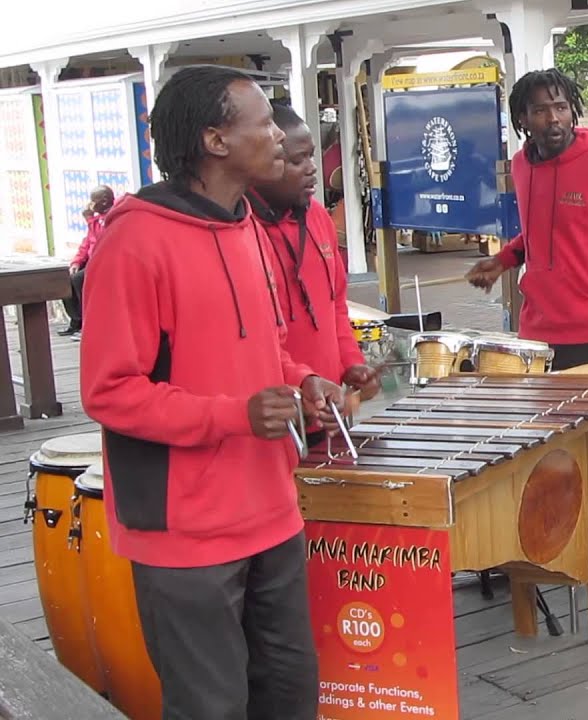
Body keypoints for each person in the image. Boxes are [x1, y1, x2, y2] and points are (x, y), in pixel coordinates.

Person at [79, 65, 346, 718]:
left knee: (290, 694)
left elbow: (258, 349)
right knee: (211, 707)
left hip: (271, 509)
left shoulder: (248, 226)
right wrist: (234, 414)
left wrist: (298, 379)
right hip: (185, 528)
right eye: (262, 124)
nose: (279, 140)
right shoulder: (134, 243)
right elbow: (110, 392)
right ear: (215, 141)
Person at [464, 69, 588, 371]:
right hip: (536, 331)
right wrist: (502, 260)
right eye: (540, 110)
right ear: (522, 120)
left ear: (572, 112)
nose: (553, 118)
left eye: (561, 107)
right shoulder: (521, 166)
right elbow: (541, 232)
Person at [248, 100, 380, 444]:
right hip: (280, 421)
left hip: (332, 410)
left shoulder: (319, 217)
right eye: (296, 161)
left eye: (311, 157)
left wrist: (352, 364)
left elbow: (335, 304)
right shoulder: (243, 234)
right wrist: (300, 387)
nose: (311, 170)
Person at [60, 185, 115, 338]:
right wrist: (76, 262)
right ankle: (75, 321)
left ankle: (87, 322)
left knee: (79, 280)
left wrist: (89, 220)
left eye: (93, 200)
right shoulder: (96, 219)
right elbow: (86, 244)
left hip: (105, 262)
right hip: (91, 260)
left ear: (104, 201)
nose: (90, 204)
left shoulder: (113, 216)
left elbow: (101, 242)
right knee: (65, 278)